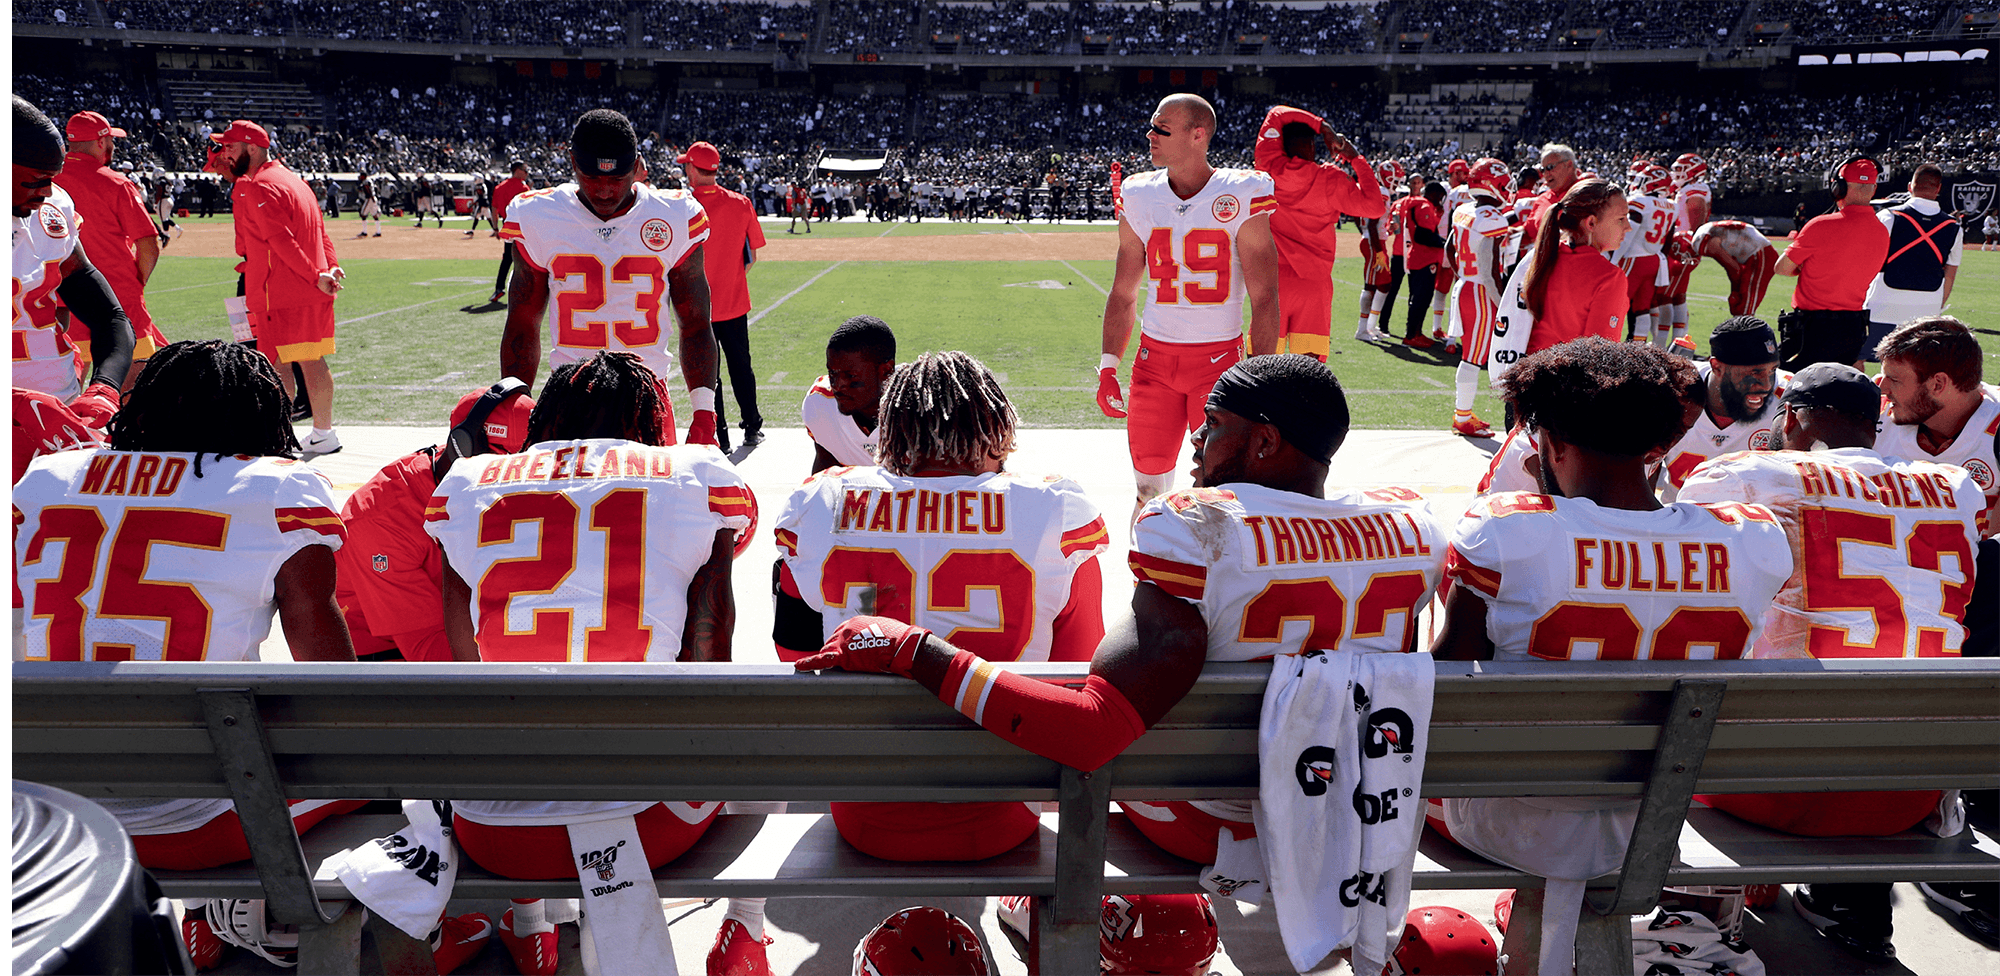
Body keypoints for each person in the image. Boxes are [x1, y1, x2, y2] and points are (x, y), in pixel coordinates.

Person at [797, 353, 1443, 883]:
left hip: (1198, 823)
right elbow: (1069, 665)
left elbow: (1089, 718)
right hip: (1354, 811)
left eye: (1211, 422)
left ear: (1265, 440)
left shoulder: (1195, 527)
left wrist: (916, 649)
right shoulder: (1416, 526)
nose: (1195, 435)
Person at [9, 339, 388, 970]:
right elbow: (331, 682)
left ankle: (212, 920)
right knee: (388, 765)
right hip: (201, 824)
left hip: (56, 811)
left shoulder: (47, 480)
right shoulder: (280, 490)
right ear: (262, 413)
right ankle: (248, 915)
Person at [1429, 338, 1791, 976]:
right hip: (1655, 813)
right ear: (1659, 447)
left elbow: (1450, 684)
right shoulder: (1751, 538)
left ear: (1554, 445)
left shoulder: (1508, 529)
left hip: (1512, 814)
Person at [425, 351, 752, 976]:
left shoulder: (466, 484)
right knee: (778, 728)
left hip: (492, 827)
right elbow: (711, 664)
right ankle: (748, 930)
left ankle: (531, 929)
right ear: (651, 419)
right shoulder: (696, 473)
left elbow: (469, 658)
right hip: (646, 823)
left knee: (504, 729)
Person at [1679, 363, 1984, 962]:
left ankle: (1697, 913)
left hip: (1766, 788)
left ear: (1790, 416)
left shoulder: (1744, 476)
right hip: (1906, 794)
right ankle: (1850, 901)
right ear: (1875, 427)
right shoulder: (1956, 488)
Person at [774, 350, 1109, 857]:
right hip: (1002, 805)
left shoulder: (821, 501)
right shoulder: (1054, 510)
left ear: (890, 429)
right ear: (995, 427)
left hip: (865, 806)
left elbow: (794, 654)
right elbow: (1078, 671)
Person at [1097, 93, 1280, 523]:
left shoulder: (1241, 191)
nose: (1150, 135)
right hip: (1153, 363)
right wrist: (1108, 365)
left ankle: (1215, 585)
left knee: (1219, 493)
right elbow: (1124, 291)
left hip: (1218, 364)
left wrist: (1260, 375)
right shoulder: (1139, 194)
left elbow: (1265, 296)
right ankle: (1150, 573)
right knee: (1147, 490)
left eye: (1162, 128)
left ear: (1198, 135)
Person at [498, 110, 721, 447]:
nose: (604, 191)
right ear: (573, 162)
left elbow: (695, 322)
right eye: (592, 177)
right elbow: (522, 322)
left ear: (636, 166)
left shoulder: (675, 216)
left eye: (616, 179)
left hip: (647, 399)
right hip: (568, 395)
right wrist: (514, 401)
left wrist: (705, 413)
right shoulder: (538, 216)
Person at [333, 383, 534, 662]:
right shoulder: (382, 521)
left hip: (461, 621)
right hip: (382, 650)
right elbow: (432, 653)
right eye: (512, 464)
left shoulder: (471, 479)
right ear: (466, 447)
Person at [211, 120, 346, 456]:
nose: (225, 153)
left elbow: (279, 240)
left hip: (282, 291)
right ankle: (322, 433)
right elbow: (320, 231)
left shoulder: (259, 185)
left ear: (252, 148)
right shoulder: (295, 181)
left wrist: (316, 274)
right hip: (303, 288)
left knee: (278, 365)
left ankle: (281, 435)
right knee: (310, 360)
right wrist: (327, 267)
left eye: (231, 147)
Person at [13, 95, 134, 427]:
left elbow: (111, 318)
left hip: (60, 405)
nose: (48, 192)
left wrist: (104, 388)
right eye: (37, 179)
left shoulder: (52, 211)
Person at [1252, 104, 1383, 362]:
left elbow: (1276, 113)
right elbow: (1374, 207)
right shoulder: (1329, 178)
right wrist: (1355, 158)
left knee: (1260, 367)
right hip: (1314, 283)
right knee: (1308, 372)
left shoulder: (1268, 169)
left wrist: (1323, 127)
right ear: (1312, 148)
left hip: (1273, 281)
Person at [54, 110, 168, 393]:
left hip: (62, 294)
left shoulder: (51, 179)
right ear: (101, 142)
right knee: (132, 387)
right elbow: (148, 243)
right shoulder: (115, 182)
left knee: (67, 386)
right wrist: (137, 281)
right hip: (118, 295)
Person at [1874, 316, 2000, 529]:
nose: (1882, 389)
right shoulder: (1870, 404)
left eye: (1894, 380)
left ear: (1938, 384)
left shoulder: (1995, 429)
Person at [683, 140, 768, 452]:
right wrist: (730, 279)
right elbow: (753, 256)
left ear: (692, 167)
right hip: (733, 304)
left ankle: (720, 436)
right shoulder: (740, 203)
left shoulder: (683, 204)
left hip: (695, 306)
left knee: (708, 374)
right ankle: (752, 426)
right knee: (740, 366)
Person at [1773, 156, 1891, 371]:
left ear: (1839, 187)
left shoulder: (1819, 225)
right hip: (1852, 330)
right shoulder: (1882, 232)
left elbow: (1781, 268)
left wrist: (1807, 268)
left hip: (1812, 329)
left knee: (1789, 392)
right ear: (1873, 189)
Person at [1657, 316, 1788, 501]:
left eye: (1772, 370)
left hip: (1752, 524)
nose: (1766, 385)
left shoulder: (1788, 398)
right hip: (1680, 520)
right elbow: (1637, 472)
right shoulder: (1672, 390)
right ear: (1717, 367)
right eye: (1754, 372)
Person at [1443, 158, 1517, 438]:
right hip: (1481, 291)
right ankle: (1462, 417)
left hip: (1465, 285)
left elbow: (1450, 247)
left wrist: (1462, 274)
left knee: (1471, 354)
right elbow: (1489, 271)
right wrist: (1502, 302)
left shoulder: (1463, 209)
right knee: (1473, 357)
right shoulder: (1493, 218)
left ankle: (1463, 412)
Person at [1863, 163, 1962, 361]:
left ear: (1910, 187)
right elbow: (1950, 273)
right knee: (1917, 366)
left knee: (1859, 358)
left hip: (1882, 303)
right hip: (1926, 309)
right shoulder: (1954, 227)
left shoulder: (1888, 216)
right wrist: (1936, 306)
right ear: (1938, 188)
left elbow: (1867, 261)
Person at [804, 314, 896, 473]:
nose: (838, 385)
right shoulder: (820, 404)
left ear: (886, 370)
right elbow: (825, 478)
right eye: (832, 373)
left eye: (851, 376)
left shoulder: (921, 410)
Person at [1610, 165, 1675, 347]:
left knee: (1616, 303)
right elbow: (1668, 239)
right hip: (1653, 259)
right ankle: (1637, 349)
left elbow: (1629, 232)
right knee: (1642, 308)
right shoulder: (1672, 206)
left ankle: (1608, 343)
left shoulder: (1640, 202)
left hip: (1633, 259)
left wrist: (1614, 259)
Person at [1690, 219, 1780, 318]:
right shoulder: (1704, 232)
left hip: (1760, 254)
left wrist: (1735, 290)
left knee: (1745, 302)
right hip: (1755, 252)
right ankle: (1740, 326)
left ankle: (1744, 329)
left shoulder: (1702, 240)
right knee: (1740, 301)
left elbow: (1734, 268)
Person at [1396, 182, 1447, 349]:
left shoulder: (1421, 205)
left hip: (1419, 257)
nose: (1441, 200)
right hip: (1424, 258)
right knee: (1420, 299)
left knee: (1421, 299)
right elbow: (1423, 235)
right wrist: (1444, 244)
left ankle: (1416, 333)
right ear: (1433, 194)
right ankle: (1411, 335)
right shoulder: (1424, 206)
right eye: (1439, 196)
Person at [1355, 159, 1402, 342]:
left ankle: (1370, 326)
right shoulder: (1381, 192)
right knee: (1371, 286)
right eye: (1394, 178)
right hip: (1374, 243)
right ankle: (1362, 330)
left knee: (1384, 284)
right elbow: (1373, 222)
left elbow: (1372, 222)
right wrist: (1377, 248)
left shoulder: (1381, 191)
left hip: (1375, 241)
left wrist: (1386, 230)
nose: (1396, 182)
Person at [1517, 142, 1579, 249]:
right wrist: (1512, 233)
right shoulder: (1542, 199)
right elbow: (1529, 233)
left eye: (1550, 167)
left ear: (1569, 165)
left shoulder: (1591, 193)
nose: (1545, 174)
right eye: (1543, 169)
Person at [488, 160, 531, 303]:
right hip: (522, 226)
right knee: (527, 258)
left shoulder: (499, 187)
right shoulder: (523, 188)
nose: (527, 172)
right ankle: (525, 290)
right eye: (525, 169)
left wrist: (495, 228)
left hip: (507, 225)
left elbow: (494, 209)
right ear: (517, 170)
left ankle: (499, 288)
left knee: (507, 259)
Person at [464, 173, 492, 238]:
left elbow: (481, 196)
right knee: (486, 218)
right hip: (484, 203)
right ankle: (495, 230)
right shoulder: (483, 185)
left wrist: (475, 204)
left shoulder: (480, 186)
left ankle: (472, 231)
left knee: (478, 217)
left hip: (482, 204)